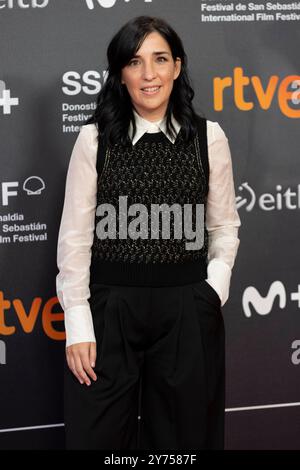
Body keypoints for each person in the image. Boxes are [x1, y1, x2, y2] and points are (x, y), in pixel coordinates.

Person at [56, 15, 241, 450]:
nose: (149, 74)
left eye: (160, 59)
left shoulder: (208, 138)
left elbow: (224, 225)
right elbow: (75, 239)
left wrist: (211, 291)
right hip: (109, 311)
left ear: (177, 67)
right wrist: (79, 324)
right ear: (121, 74)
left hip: (187, 309)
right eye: (135, 62)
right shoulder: (93, 139)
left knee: (183, 446)